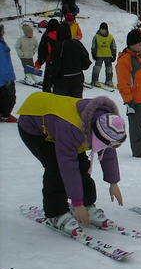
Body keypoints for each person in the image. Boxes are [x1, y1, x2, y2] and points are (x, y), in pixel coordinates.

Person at [17, 92, 126, 236]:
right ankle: (56, 213)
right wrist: (76, 202)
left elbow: (107, 152)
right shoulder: (71, 128)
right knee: (56, 168)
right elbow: (68, 167)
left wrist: (113, 183)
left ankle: (87, 205)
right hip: (34, 127)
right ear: (93, 135)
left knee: (83, 165)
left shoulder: (106, 122)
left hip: (61, 127)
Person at [116, 29, 141, 158]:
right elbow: (123, 83)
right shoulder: (124, 60)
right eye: (139, 44)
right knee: (136, 126)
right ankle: (139, 150)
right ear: (131, 44)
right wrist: (128, 101)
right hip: (135, 100)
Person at [49, 21, 91, 98]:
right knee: (75, 103)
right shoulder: (77, 44)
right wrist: (80, 68)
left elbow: (55, 64)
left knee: (61, 103)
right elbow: (86, 61)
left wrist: (53, 77)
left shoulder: (58, 46)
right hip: (77, 78)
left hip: (62, 80)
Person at [35, 18, 60, 92]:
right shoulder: (62, 36)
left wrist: (38, 64)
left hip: (50, 65)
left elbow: (43, 52)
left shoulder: (46, 37)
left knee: (47, 87)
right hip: (61, 65)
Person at [0, 24, 18, 123]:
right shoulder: (1, 46)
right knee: (10, 97)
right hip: (4, 78)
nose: (4, 32)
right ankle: (5, 115)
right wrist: (8, 78)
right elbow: (3, 63)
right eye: (3, 30)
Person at [90, 22, 117, 86]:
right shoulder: (96, 37)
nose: (102, 30)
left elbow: (113, 46)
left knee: (109, 69)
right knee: (97, 68)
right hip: (99, 55)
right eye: (101, 29)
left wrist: (114, 54)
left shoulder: (110, 37)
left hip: (108, 55)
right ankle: (94, 80)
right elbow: (94, 46)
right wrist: (93, 54)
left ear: (106, 30)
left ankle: (109, 80)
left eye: (103, 29)